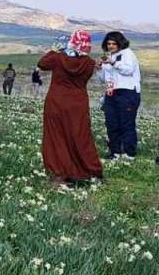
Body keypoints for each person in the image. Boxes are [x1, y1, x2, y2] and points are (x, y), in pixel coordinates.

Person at [38, 31, 103, 184]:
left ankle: (59, 173)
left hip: (56, 102)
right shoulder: (89, 63)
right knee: (80, 136)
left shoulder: (58, 57)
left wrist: (54, 50)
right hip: (78, 104)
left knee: (56, 137)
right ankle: (91, 170)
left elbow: (42, 63)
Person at [99, 31, 142, 160]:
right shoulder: (110, 57)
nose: (111, 46)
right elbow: (103, 78)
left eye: (113, 43)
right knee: (111, 123)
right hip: (111, 92)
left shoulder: (128, 54)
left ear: (120, 43)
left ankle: (129, 153)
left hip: (127, 92)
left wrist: (113, 63)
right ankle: (115, 152)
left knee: (126, 123)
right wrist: (99, 68)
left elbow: (128, 70)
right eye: (108, 44)